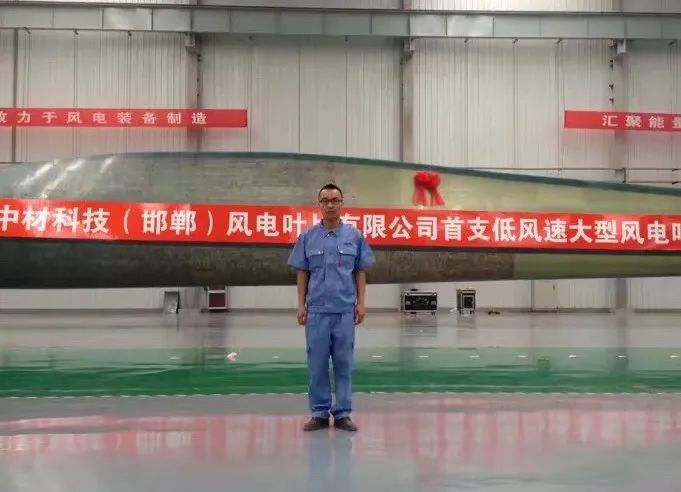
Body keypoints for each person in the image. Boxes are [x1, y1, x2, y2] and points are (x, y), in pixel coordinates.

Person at [287, 183, 375, 432]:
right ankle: (319, 413)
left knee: (344, 364)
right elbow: (302, 272)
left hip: (344, 310)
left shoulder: (354, 237)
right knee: (316, 364)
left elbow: (360, 271)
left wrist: (361, 303)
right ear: (319, 205)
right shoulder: (308, 237)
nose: (330, 205)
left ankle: (343, 413)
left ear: (341, 204)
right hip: (317, 310)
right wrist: (301, 304)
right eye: (325, 201)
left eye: (335, 200)